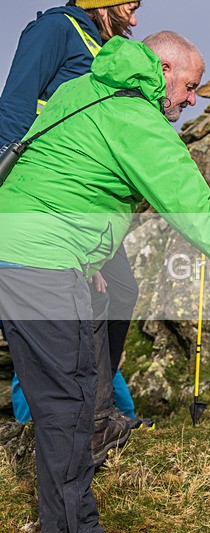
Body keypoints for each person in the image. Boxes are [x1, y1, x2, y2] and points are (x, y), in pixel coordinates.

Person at [0, 32, 210, 531]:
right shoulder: (138, 121)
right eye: (190, 86)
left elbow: (59, 171)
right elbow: (199, 213)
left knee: (60, 401)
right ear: (163, 70)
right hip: (44, 262)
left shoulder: (82, 87)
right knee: (69, 410)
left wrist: (91, 258)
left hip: (15, 252)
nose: (192, 99)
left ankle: (72, 498)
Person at [0, 0, 149, 458]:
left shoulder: (103, 45)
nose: (134, 19)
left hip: (84, 203)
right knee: (60, 307)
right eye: (128, 6)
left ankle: (96, 410)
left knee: (120, 291)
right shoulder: (55, 30)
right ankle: (65, 418)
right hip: (47, 199)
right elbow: (15, 105)